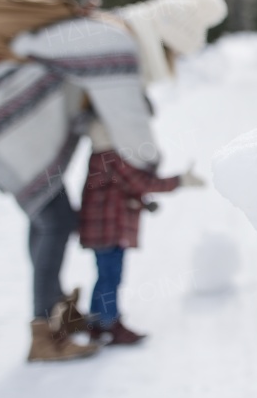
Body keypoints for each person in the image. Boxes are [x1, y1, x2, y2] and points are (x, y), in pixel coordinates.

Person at [0, 0, 227, 362]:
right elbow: (129, 123)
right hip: (9, 128)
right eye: (174, 53)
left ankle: (53, 314)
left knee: (50, 220)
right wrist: (151, 170)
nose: (171, 63)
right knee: (54, 223)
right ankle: (45, 331)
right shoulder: (116, 42)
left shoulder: (106, 29)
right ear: (164, 40)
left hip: (11, 125)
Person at [78, 114, 205, 345]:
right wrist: (180, 181)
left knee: (104, 275)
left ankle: (97, 323)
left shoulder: (100, 157)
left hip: (100, 228)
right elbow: (141, 182)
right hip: (108, 229)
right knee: (110, 276)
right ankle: (108, 323)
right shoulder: (112, 157)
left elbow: (122, 188)